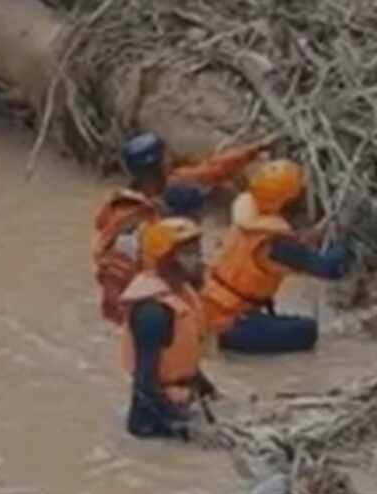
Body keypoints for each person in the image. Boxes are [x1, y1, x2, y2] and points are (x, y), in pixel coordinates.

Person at [91, 131, 275, 324]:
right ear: (154, 168)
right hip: (147, 300)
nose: (170, 161)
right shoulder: (130, 219)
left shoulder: (172, 185)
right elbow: (116, 272)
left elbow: (214, 169)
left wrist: (255, 150)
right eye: (165, 159)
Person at [200, 159, 352, 354]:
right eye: (301, 196)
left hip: (212, 309)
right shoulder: (277, 245)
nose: (305, 201)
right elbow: (332, 269)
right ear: (287, 203)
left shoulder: (250, 221)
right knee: (306, 330)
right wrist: (344, 236)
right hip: (229, 323)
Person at [117, 216, 217, 440]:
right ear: (165, 261)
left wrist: (210, 393)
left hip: (181, 402)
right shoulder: (153, 313)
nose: (200, 261)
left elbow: (181, 360)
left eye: (198, 253)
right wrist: (187, 427)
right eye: (189, 255)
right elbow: (145, 388)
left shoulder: (181, 294)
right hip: (151, 423)